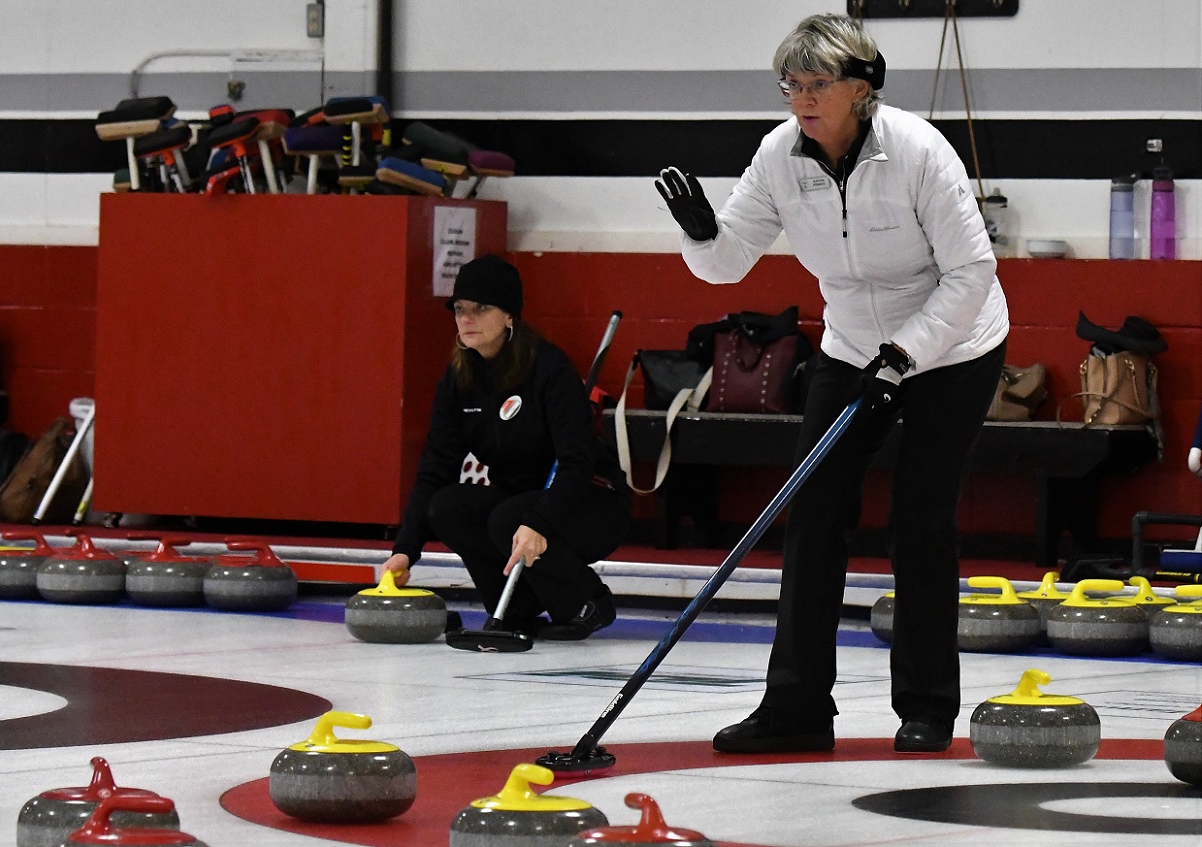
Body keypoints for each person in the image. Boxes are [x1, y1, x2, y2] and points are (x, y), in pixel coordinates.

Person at [655, 13, 1009, 753]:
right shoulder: (780, 155)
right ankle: (796, 706)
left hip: (953, 345)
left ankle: (926, 704)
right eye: (792, 85)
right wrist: (698, 234)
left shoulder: (917, 151)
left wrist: (906, 355)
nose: (803, 100)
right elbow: (728, 263)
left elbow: (973, 273)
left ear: (862, 87)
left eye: (819, 85)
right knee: (813, 514)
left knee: (921, 517)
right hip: (852, 344)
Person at [381, 253, 630, 640]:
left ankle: (587, 602)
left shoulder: (549, 369)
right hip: (519, 503)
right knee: (448, 507)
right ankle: (516, 608)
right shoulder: (459, 379)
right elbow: (437, 465)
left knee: (507, 518)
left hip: (590, 501)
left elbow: (577, 463)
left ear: (510, 316)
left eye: (480, 309)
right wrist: (405, 549)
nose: (466, 318)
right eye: (460, 309)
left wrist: (540, 522)